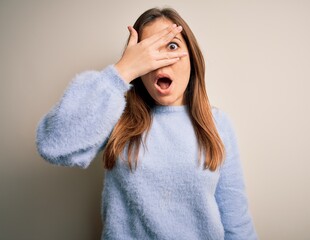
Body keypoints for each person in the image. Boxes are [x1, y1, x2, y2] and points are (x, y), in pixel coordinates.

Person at [36, 7, 257, 240]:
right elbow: (52, 144)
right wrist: (122, 71)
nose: (160, 61)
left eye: (172, 46)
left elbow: (236, 222)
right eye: (148, 52)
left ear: (191, 57)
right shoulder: (115, 116)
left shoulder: (218, 125)